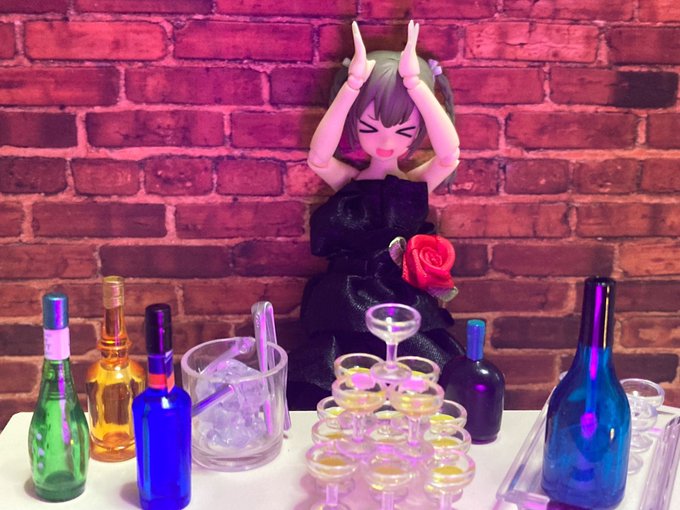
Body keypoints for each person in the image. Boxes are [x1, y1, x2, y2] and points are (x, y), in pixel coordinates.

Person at [287, 21, 464, 409]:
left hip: (403, 300)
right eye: (370, 128)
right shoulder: (350, 181)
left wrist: (416, 85)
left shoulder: (415, 183)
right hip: (347, 300)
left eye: (403, 132)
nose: (386, 142)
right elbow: (318, 158)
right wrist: (352, 86)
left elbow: (450, 155)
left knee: (418, 378)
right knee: (338, 380)